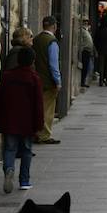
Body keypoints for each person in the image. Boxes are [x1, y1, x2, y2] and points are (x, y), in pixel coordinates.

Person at [0, 47, 44, 192]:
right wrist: (39, 125)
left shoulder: (8, 76)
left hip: (9, 121)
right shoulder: (34, 78)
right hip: (27, 122)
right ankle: (24, 180)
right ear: (32, 61)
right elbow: (38, 104)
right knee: (26, 151)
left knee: (9, 148)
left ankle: (9, 169)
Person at [32, 16, 62, 144]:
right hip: (48, 82)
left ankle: (36, 132)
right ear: (54, 26)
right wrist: (58, 81)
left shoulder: (36, 39)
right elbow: (53, 64)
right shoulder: (52, 42)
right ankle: (44, 135)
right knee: (48, 109)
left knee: (37, 107)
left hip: (35, 79)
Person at [79, 19, 95, 88]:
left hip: (88, 51)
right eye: (84, 22)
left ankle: (84, 81)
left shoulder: (86, 31)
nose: (86, 24)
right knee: (85, 67)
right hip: (84, 51)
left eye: (87, 22)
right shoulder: (82, 31)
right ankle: (82, 82)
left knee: (88, 67)